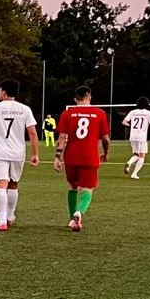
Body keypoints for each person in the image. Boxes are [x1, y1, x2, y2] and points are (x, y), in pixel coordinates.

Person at [0, 80, 40, 231]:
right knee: (13, 184)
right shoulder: (25, 109)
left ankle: (2, 221)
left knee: (1, 185)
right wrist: (35, 154)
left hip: (0, 152)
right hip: (18, 153)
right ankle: (10, 216)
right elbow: (32, 132)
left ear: (3, 92)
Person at [54, 86, 110, 232]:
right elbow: (105, 138)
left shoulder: (67, 113)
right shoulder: (100, 113)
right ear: (89, 97)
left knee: (72, 186)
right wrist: (106, 152)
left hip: (70, 156)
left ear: (75, 99)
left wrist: (57, 157)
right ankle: (78, 213)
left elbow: (62, 138)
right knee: (87, 189)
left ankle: (72, 219)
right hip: (90, 156)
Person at [122, 96, 150, 180]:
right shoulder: (148, 113)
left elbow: (124, 122)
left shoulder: (132, 112)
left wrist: (130, 125)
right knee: (142, 156)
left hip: (133, 136)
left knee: (136, 154)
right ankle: (134, 173)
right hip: (141, 137)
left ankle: (129, 163)